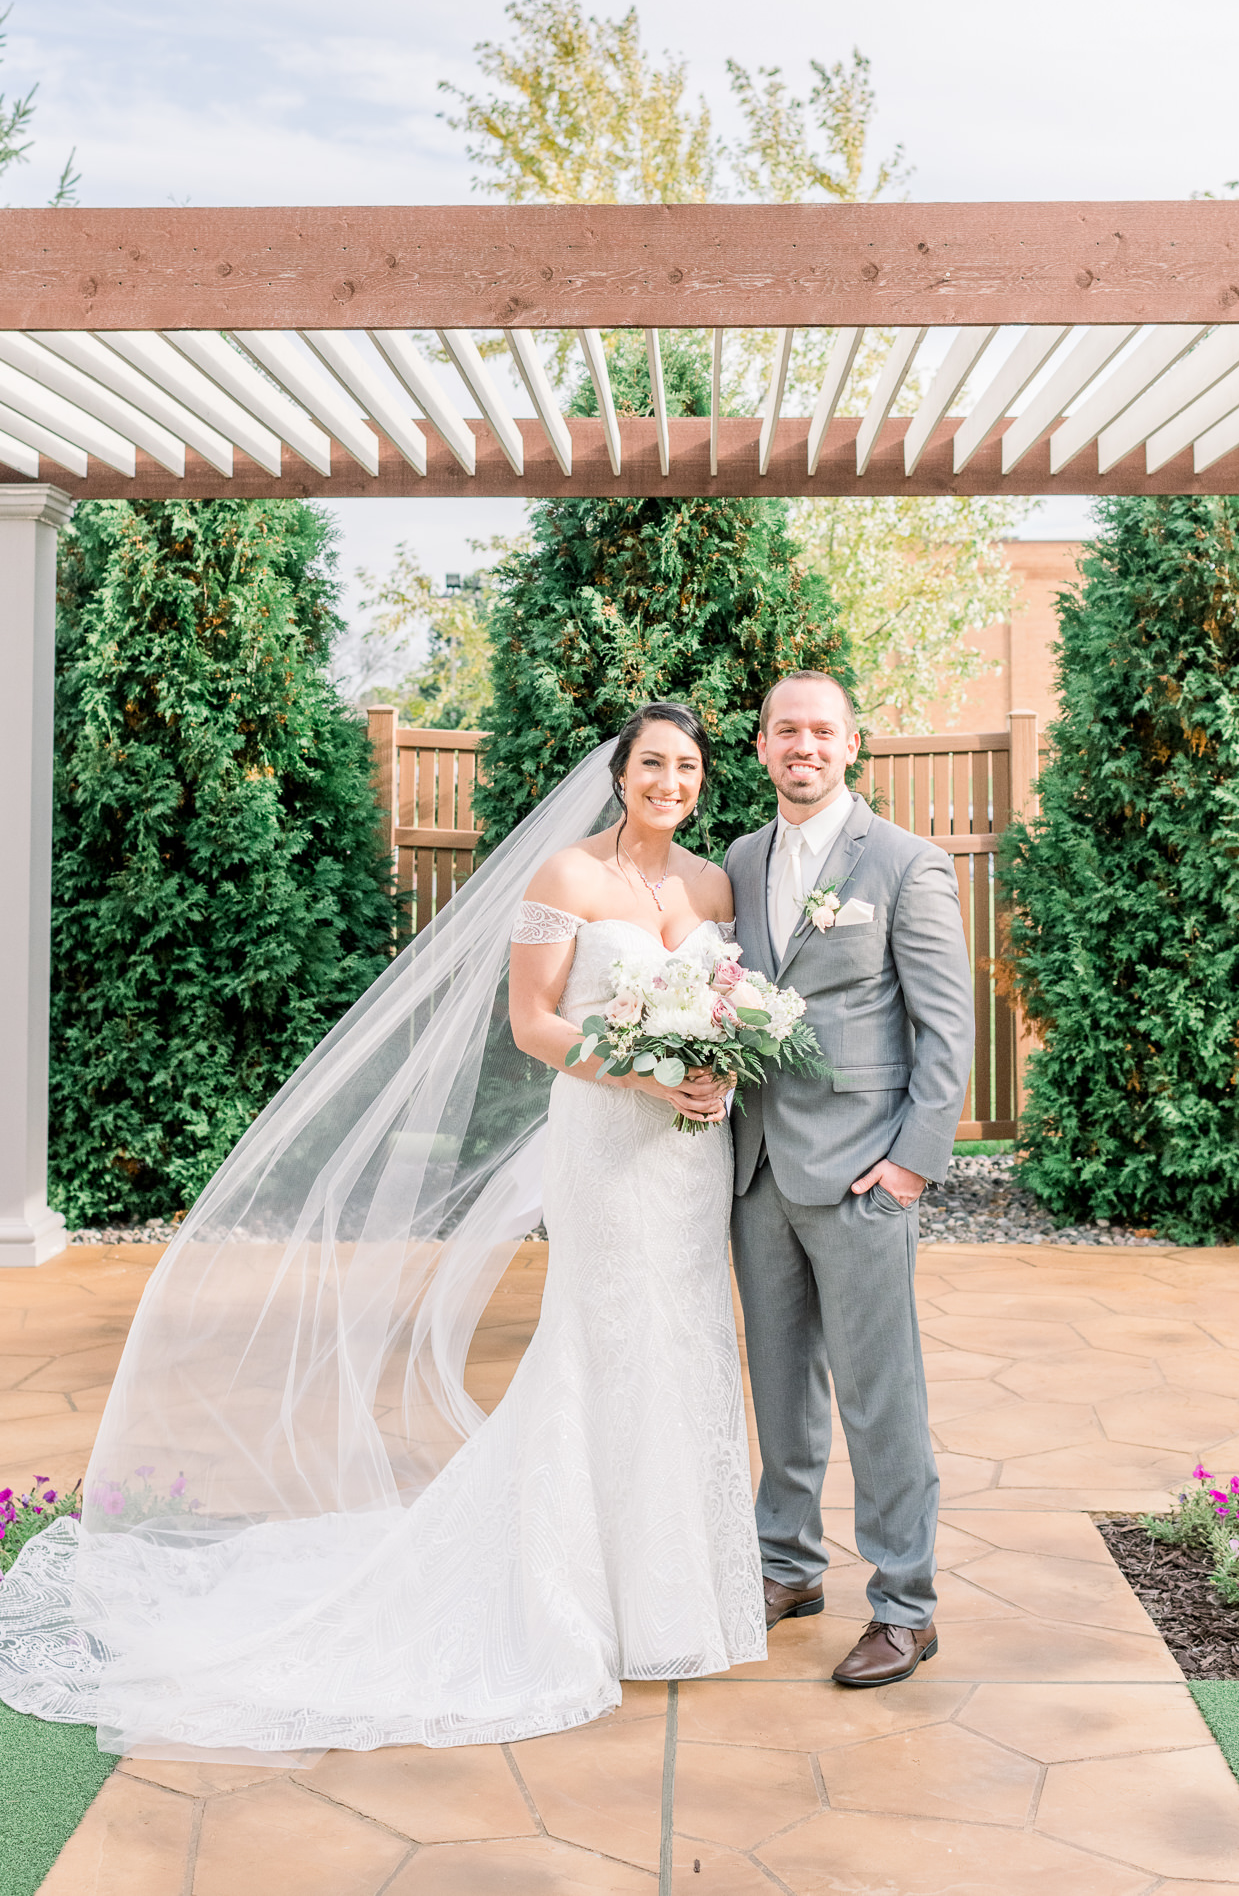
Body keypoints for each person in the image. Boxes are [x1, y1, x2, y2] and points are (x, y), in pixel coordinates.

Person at [0, 704, 764, 1759]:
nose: (668, 781)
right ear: (619, 774)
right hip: (605, 1141)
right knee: (601, 1344)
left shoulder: (711, 886)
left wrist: (713, 1073)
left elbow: (729, 1004)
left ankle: (673, 1601)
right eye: (651, 764)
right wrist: (642, 1068)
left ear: (701, 779)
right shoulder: (565, 879)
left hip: (689, 1155)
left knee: (682, 1346)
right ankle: (573, 1590)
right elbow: (532, 1022)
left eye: (685, 766)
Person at [725, 671, 975, 1688]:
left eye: (821, 731)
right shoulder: (739, 861)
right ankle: (785, 1568)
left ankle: (904, 1604)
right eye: (786, 730)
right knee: (778, 1388)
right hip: (755, 1171)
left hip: (865, 1176)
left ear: (850, 745)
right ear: (760, 746)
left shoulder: (906, 865)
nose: (804, 746)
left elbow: (945, 1028)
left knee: (880, 1397)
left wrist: (910, 1166)